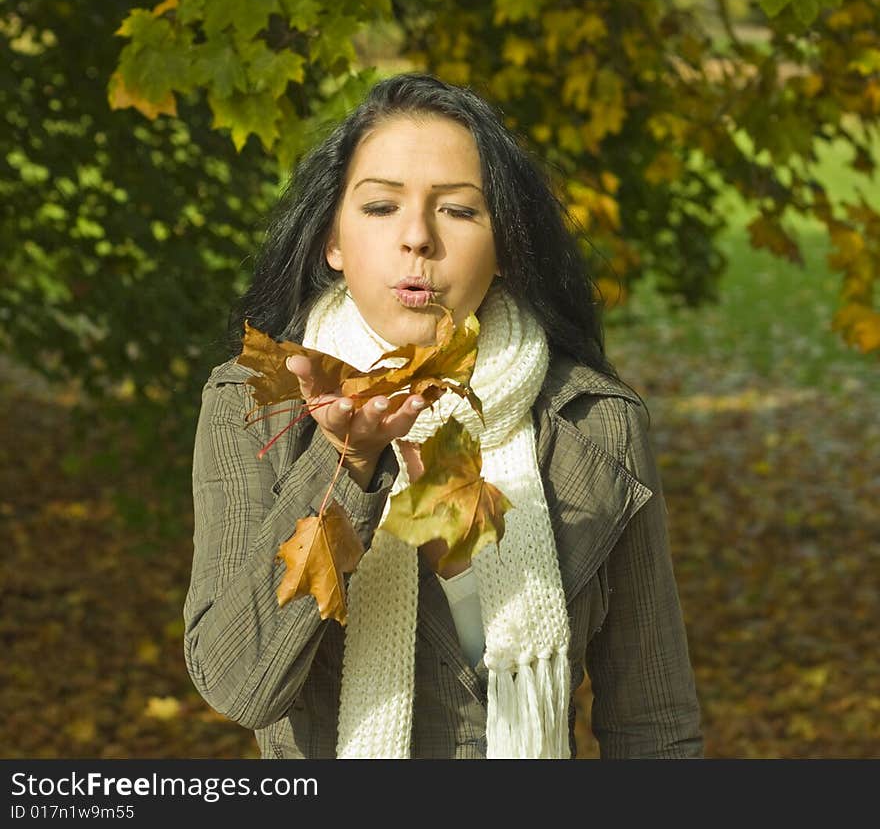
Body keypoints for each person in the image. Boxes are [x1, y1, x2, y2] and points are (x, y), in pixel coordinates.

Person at [183, 72, 703, 759]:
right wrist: (346, 467)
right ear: (331, 241)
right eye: (379, 206)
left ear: (507, 247)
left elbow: (655, 724)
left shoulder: (592, 424)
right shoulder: (257, 403)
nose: (418, 237)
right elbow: (238, 683)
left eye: (459, 210)